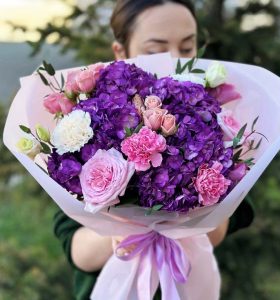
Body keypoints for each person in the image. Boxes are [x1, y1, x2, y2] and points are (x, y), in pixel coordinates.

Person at [53, 1, 254, 299]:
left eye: (186, 48)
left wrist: (189, 211)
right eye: (155, 49)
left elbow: (219, 231)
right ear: (121, 52)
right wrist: (129, 229)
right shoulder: (89, 127)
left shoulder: (214, 123)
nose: (173, 60)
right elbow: (76, 248)